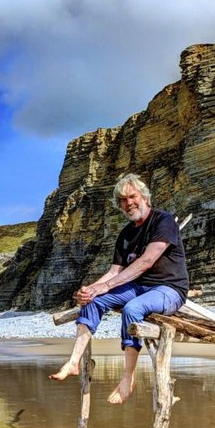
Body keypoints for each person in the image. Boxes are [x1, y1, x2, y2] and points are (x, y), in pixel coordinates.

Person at [50, 173, 189, 404]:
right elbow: (115, 272)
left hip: (170, 288)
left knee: (132, 309)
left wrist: (104, 286)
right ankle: (74, 362)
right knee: (94, 300)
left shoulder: (163, 221)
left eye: (132, 196)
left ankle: (128, 378)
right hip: (138, 286)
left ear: (144, 196)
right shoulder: (125, 234)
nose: (128, 203)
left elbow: (146, 261)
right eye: (122, 200)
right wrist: (90, 290)